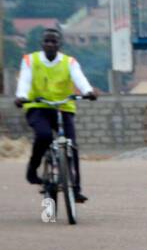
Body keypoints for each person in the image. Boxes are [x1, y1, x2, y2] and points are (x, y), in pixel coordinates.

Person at [14, 28, 97, 202]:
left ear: (60, 44)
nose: (50, 44)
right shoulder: (31, 60)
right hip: (37, 106)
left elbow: (79, 78)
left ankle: (75, 189)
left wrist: (88, 91)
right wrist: (21, 96)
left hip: (63, 107)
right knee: (44, 135)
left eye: (54, 41)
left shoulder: (69, 62)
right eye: (47, 41)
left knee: (71, 146)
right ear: (42, 44)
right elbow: (25, 80)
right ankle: (33, 168)